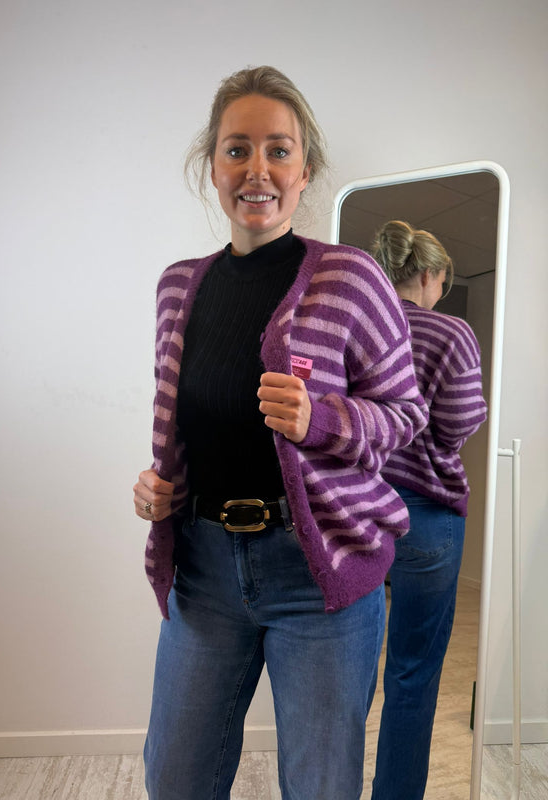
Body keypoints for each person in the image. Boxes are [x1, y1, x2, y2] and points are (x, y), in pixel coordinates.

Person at [133, 67, 428, 800]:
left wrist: (320, 420)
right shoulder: (178, 287)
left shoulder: (352, 278)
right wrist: (160, 489)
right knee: (175, 778)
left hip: (320, 573)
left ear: (305, 171)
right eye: (237, 149)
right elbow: (187, 422)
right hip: (204, 573)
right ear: (213, 167)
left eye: (278, 150)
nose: (256, 169)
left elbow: (406, 415)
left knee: (321, 786)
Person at [369, 220, 488, 800]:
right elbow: (459, 422)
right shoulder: (451, 332)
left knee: (345, 666)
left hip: (359, 509)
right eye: (443, 282)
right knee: (413, 673)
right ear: (431, 274)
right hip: (427, 513)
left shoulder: (366, 324)